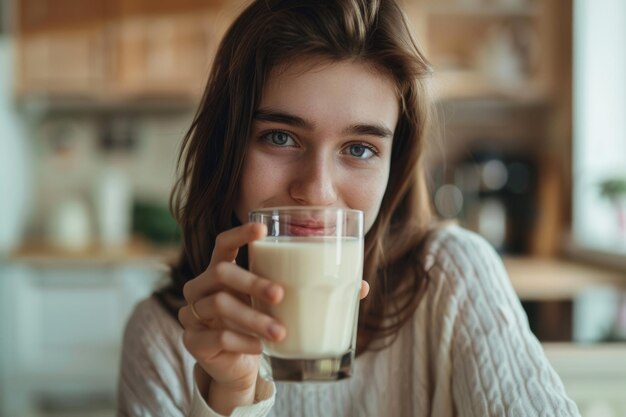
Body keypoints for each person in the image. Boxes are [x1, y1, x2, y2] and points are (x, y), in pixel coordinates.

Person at [117, 1, 581, 416]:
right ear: (227, 148)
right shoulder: (161, 336)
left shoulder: (452, 279)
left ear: (393, 169)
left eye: (359, 149)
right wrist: (230, 397)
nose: (316, 191)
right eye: (280, 137)